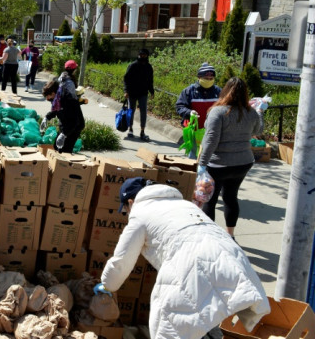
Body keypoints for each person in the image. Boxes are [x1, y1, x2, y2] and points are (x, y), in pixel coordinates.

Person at [95, 177, 270, 339]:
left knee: (170, 324)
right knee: (210, 309)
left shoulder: (140, 214)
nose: (126, 213)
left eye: (125, 208)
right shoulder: (184, 204)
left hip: (191, 262)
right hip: (231, 254)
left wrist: (107, 284)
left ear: (131, 202)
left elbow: (121, 261)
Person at [198, 77, 264, 238]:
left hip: (218, 164)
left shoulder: (218, 111)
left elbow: (211, 140)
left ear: (225, 91)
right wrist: (260, 112)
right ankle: (230, 235)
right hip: (243, 163)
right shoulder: (251, 112)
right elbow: (259, 130)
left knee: (210, 200)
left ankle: (211, 237)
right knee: (230, 197)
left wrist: (202, 163)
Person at [176, 62, 222, 158]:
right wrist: (189, 112)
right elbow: (180, 106)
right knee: (194, 155)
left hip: (213, 131)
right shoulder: (189, 91)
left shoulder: (218, 92)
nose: (209, 80)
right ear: (199, 77)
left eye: (211, 79)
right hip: (194, 130)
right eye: (206, 78)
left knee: (211, 157)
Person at [42, 71, 85, 154]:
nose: (47, 99)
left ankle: (64, 166)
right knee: (56, 147)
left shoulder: (68, 100)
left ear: (53, 93)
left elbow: (75, 122)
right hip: (65, 124)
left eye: (48, 96)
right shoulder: (57, 99)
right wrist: (47, 117)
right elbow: (56, 111)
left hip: (74, 127)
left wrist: (64, 135)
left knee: (65, 151)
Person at [123, 48, 155, 141]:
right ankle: (130, 129)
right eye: (141, 55)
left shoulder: (149, 67)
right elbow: (126, 79)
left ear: (147, 56)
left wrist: (152, 91)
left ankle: (142, 131)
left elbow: (150, 81)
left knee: (143, 112)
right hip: (132, 92)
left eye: (144, 55)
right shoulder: (132, 66)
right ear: (138, 55)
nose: (142, 57)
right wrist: (126, 91)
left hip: (143, 93)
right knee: (131, 111)